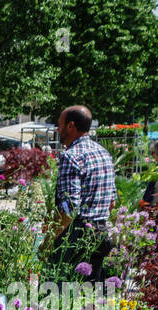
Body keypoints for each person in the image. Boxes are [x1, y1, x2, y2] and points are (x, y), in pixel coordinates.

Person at [49, 104, 116, 280]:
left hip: (76, 237)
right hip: (101, 233)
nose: (58, 128)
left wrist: (49, 241)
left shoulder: (71, 156)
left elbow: (69, 208)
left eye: (60, 124)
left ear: (70, 126)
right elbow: (112, 202)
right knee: (92, 296)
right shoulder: (104, 154)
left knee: (60, 293)